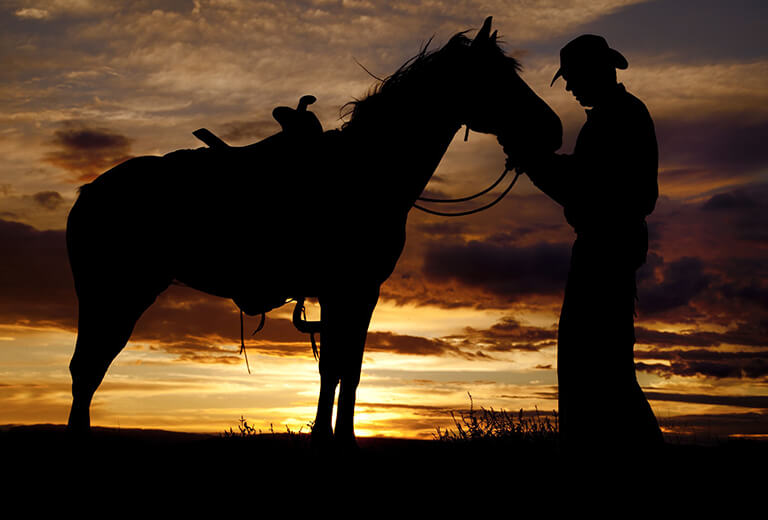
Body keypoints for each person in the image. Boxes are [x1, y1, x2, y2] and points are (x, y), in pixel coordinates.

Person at [502, 35, 664, 456]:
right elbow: (582, 180)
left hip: (604, 252)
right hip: (608, 248)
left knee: (593, 369)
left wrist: (533, 162)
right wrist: (537, 164)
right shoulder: (616, 116)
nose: (571, 88)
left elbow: (583, 188)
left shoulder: (617, 119)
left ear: (595, 72)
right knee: (603, 370)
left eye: (573, 78)